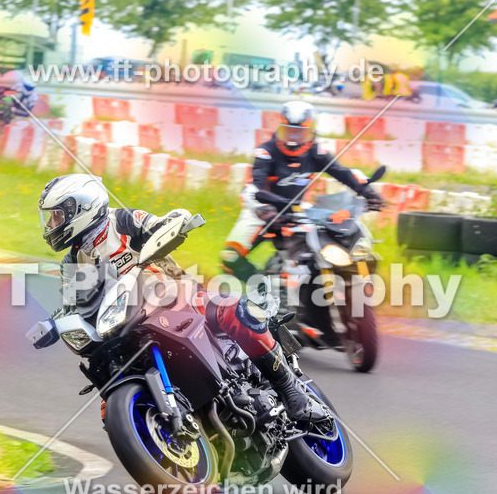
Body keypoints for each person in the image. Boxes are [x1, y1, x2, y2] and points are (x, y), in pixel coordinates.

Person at [38, 173, 326, 422]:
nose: (51, 224)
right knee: (109, 396)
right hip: (125, 320)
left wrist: (174, 221)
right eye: (50, 218)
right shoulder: (72, 262)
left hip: (175, 294)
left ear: (83, 207)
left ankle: (290, 389)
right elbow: (72, 303)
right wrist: (56, 323)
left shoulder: (121, 221)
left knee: (238, 312)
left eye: (57, 216)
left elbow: (156, 223)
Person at [220, 100, 384, 282]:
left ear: (311, 131)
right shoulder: (265, 152)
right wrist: (264, 209)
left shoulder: (317, 152)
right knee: (229, 257)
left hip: (297, 211)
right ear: (280, 127)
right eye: (289, 130)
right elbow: (257, 188)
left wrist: (368, 193)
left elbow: (343, 173)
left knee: (334, 241)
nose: (293, 139)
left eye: (300, 132)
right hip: (261, 210)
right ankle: (260, 288)